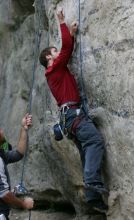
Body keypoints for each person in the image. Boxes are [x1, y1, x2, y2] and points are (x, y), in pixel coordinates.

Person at [39, 8, 108, 213]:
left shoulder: (54, 72)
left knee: (87, 148)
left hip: (70, 118)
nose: (57, 53)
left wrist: (73, 34)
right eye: (54, 52)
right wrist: (62, 22)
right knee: (94, 141)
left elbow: (67, 50)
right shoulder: (53, 69)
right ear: (50, 59)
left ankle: (92, 197)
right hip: (74, 116)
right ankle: (92, 183)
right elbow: (66, 49)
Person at [0, 114, 34, 220]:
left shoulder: (1, 155)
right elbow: (4, 194)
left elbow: (18, 153)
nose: (2, 131)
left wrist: (24, 128)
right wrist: (24, 203)